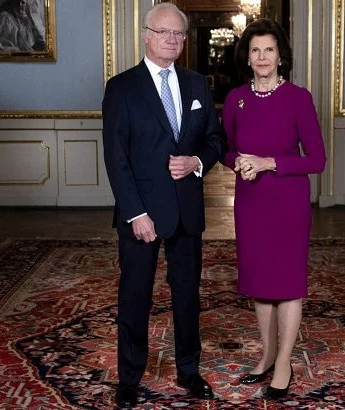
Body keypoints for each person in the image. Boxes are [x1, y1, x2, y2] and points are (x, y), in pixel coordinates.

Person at [102, 3, 226, 408]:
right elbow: (116, 158)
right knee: (135, 297)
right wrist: (136, 213)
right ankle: (129, 378)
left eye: (179, 34)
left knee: (187, 294)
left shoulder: (196, 84)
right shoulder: (121, 87)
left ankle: (189, 371)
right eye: (164, 32)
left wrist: (197, 162)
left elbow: (215, 141)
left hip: (187, 210)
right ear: (146, 35)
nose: (172, 39)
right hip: (142, 213)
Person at [221, 19, 326, 399]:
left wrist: (270, 163)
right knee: (261, 285)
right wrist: (239, 163)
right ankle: (266, 355)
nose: (262, 57)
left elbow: (317, 159)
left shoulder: (299, 97)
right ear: (246, 58)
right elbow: (226, 149)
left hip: (288, 203)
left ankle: (284, 361)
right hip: (251, 203)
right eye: (255, 50)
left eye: (269, 49)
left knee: (288, 285)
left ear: (281, 55)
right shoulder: (236, 99)